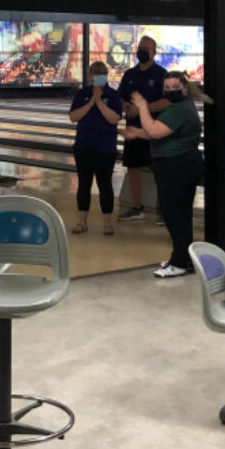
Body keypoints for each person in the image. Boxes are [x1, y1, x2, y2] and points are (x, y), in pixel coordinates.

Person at [125, 71, 207, 278]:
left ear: (185, 88)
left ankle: (180, 262)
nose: (171, 91)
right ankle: (183, 257)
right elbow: (162, 131)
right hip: (180, 164)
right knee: (179, 214)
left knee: (174, 215)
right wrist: (137, 133)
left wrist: (143, 107)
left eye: (175, 87)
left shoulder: (178, 109)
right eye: (167, 87)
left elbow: (154, 131)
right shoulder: (179, 107)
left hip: (176, 166)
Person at [68, 61, 123, 236]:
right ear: (90, 76)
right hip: (83, 146)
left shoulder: (113, 96)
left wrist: (99, 101)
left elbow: (114, 119)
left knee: (104, 184)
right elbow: (74, 117)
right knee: (84, 183)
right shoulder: (82, 94)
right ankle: (82, 222)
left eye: (101, 74)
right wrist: (92, 100)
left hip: (105, 148)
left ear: (106, 76)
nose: (97, 77)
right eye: (94, 74)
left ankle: (107, 224)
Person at [117, 35, 168, 222]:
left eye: (147, 48)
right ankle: (137, 207)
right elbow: (121, 97)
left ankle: (165, 211)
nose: (142, 51)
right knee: (133, 168)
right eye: (140, 47)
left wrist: (141, 109)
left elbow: (166, 101)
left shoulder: (162, 74)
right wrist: (126, 107)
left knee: (160, 172)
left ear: (154, 52)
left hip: (154, 131)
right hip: (133, 131)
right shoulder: (130, 74)